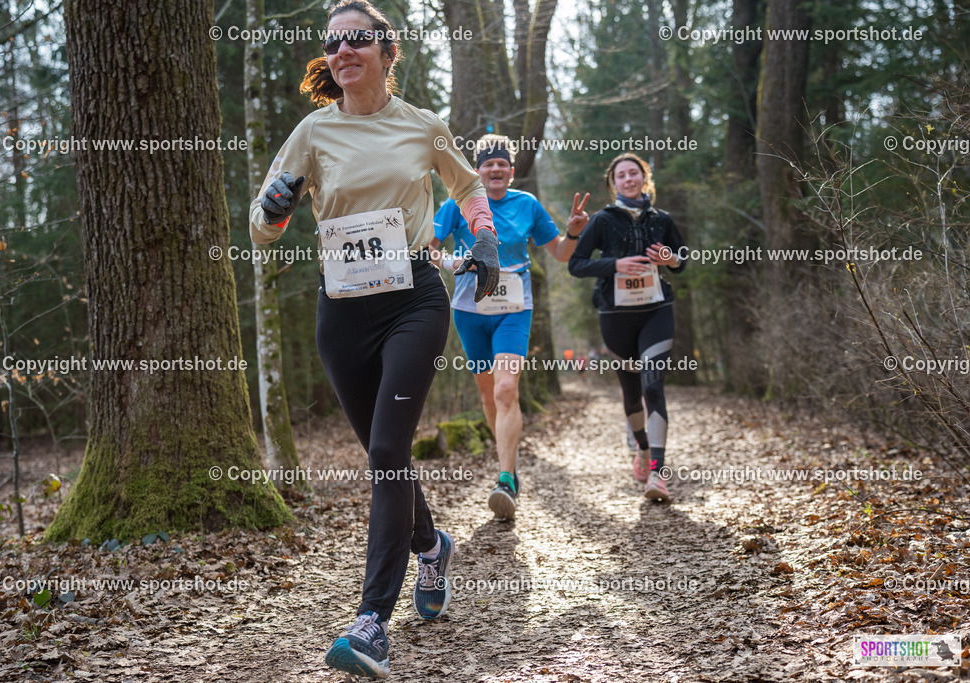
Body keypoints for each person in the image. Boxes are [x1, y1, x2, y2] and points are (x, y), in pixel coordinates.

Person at [248, 2, 500, 677]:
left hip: (414, 299)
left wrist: (482, 231)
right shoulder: (312, 132)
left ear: (387, 50)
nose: (343, 50)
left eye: (358, 38)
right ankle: (432, 542)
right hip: (342, 311)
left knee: (388, 448)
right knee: (384, 453)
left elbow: (468, 182)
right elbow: (263, 222)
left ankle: (370, 623)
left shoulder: (422, 125)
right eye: (333, 43)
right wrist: (272, 211)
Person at [429, 134, 589, 520]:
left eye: (502, 164)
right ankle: (510, 466)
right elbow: (429, 250)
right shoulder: (457, 204)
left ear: (512, 172)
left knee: (506, 388)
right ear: (477, 171)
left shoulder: (527, 205)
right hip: (469, 311)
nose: (495, 169)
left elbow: (562, 255)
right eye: (488, 164)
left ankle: (504, 479)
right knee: (489, 397)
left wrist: (574, 231)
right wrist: (453, 263)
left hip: (514, 310)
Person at [567, 153, 686, 502]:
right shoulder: (603, 220)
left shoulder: (661, 219)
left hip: (656, 311)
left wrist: (671, 258)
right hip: (615, 315)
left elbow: (681, 261)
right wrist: (616, 264)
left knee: (653, 386)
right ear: (613, 183)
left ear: (644, 179)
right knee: (632, 393)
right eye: (621, 175)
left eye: (634, 173)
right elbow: (576, 264)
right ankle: (642, 449)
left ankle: (657, 474)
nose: (629, 179)